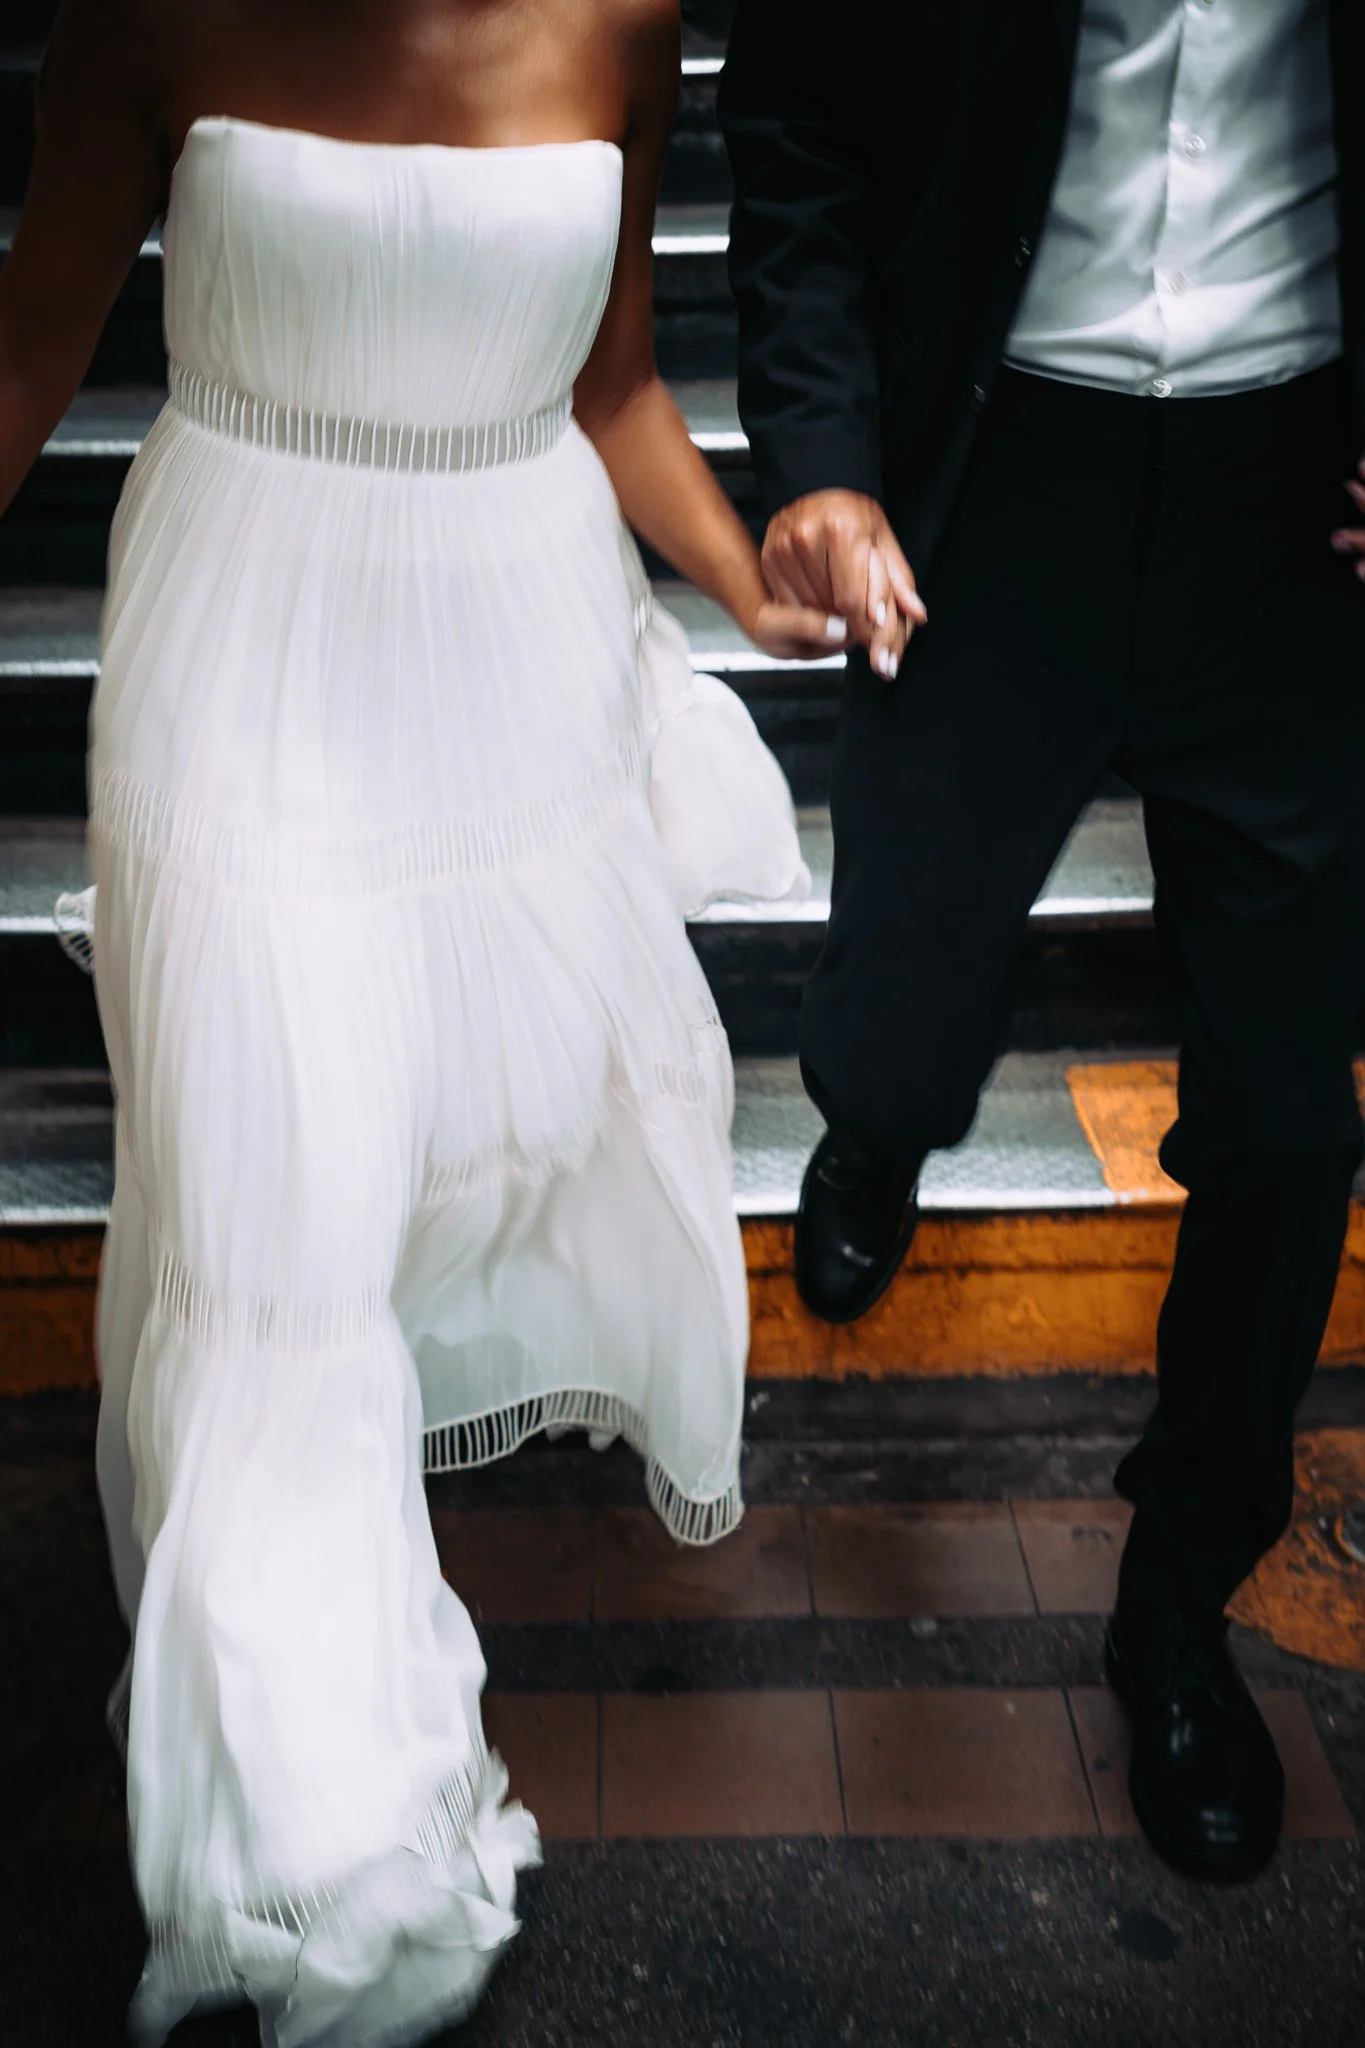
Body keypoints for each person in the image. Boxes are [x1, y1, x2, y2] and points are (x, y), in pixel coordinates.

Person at [0, 0, 832, 2038]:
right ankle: (313, 1849)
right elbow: (24, 354)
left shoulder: (620, 22)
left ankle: (241, 1665)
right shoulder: (154, 11)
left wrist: (746, 581)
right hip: (245, 648)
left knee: (338, 1218)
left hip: (506, 660)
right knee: (276, 1246)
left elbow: (613, 380)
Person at [720, 0, 1365, 1880]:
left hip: (1290, 512)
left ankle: (1179, 1601)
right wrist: (825, 455)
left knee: (1291, 1130)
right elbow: (798, 122)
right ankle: (879, 1126)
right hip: (1002, 467)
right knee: (897, 1022)